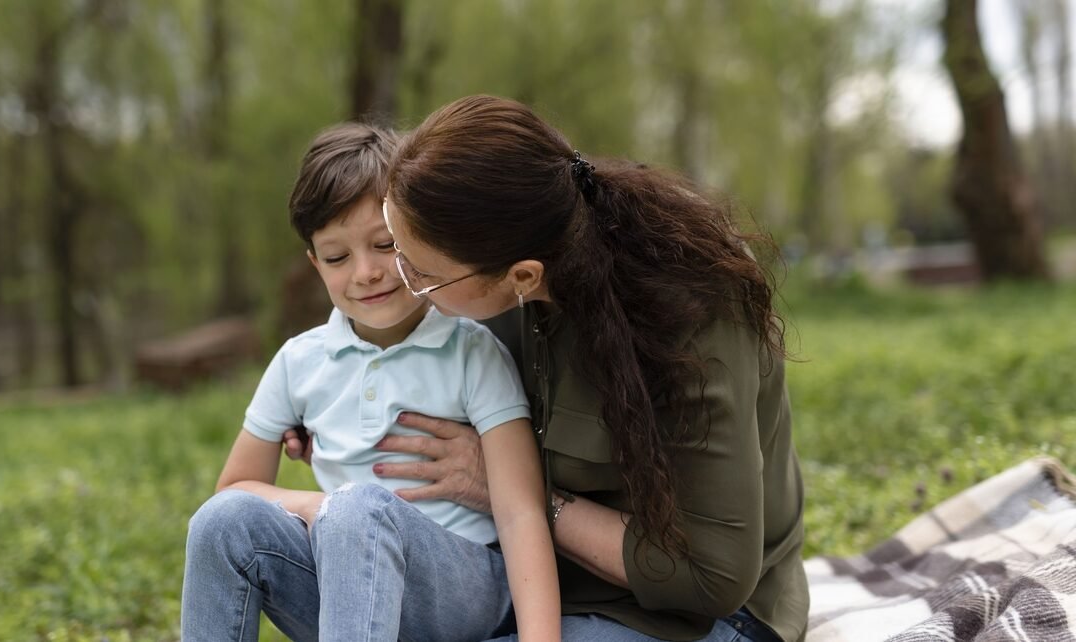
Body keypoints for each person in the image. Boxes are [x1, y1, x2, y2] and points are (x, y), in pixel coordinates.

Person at [292, 94, 808, 642]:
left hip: (702, 622)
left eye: (422, 275)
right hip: (539, 597)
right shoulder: (492, 278)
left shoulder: (694, 311)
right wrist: (331, 405)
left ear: (522, 276)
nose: (402, 280)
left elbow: (713, 576)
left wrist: (509, 489)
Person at [181, 122, 561, 642]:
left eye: (385, 244)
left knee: (359, 510)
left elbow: (521, 513)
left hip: (463, 591)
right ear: (315, 264)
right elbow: (234, 489)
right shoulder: (300, 361)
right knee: (221, 522)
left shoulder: (470, 351)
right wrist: (321, 507)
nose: (365, 272)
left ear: (419, 236)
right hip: (346, 586)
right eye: (337, 257)